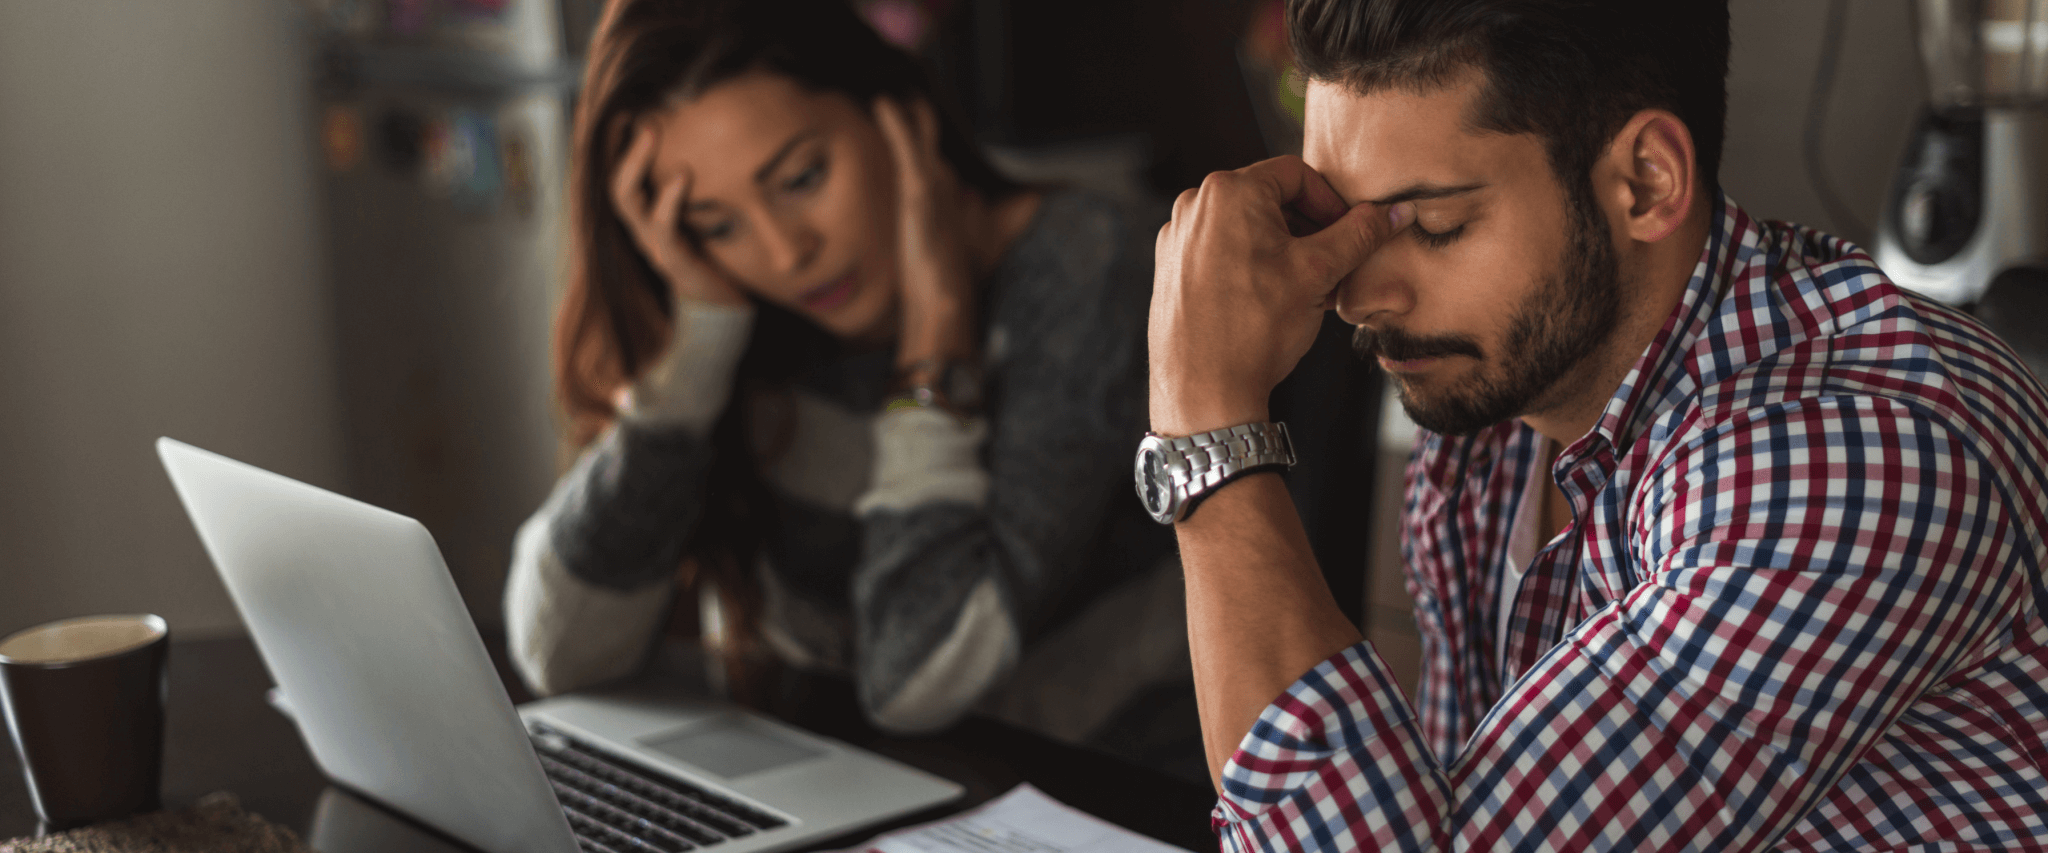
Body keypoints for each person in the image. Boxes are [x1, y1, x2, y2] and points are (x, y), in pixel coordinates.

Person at [1143, 0, 2048, 849]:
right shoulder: (1488, 423)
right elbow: (1444, 807)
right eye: (1342, 226)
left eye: (1436, 225)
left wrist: (1207, 422)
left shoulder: (1849, 465)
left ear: (1646, 182)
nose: (1359, 298)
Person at [503, 0, 1183, 744]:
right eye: (717, 224)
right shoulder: (747, 314)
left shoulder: (1084, 271)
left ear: (900, 114)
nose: (786, 252)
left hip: (1081, 783)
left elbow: (917, 681)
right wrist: (696, 353)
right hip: (833, 773)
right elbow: (559, 655)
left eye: (802, 177)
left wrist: (935, 345)